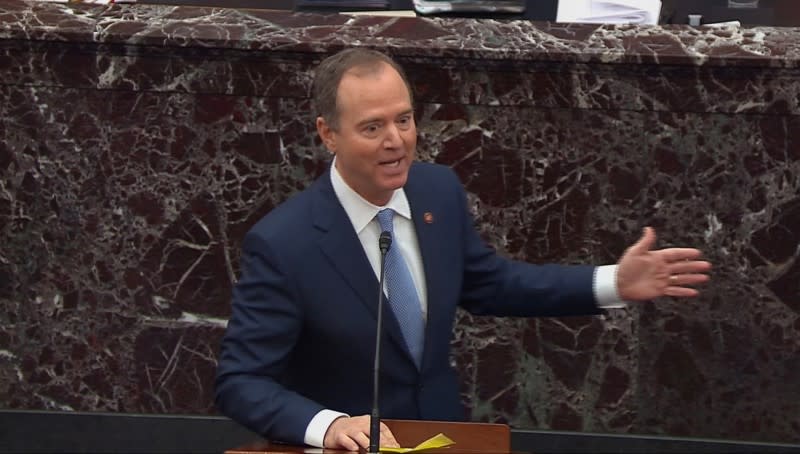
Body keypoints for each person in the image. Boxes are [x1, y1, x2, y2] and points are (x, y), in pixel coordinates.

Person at [214, 48, 711, 451]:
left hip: (444, 438)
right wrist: (327, 426)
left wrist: (612, 283)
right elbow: (241, 381)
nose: (397, 141)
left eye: (404, 120)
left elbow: (491, 284)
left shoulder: (438, 193)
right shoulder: (285, 242)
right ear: (328, 134)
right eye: (373, 127)